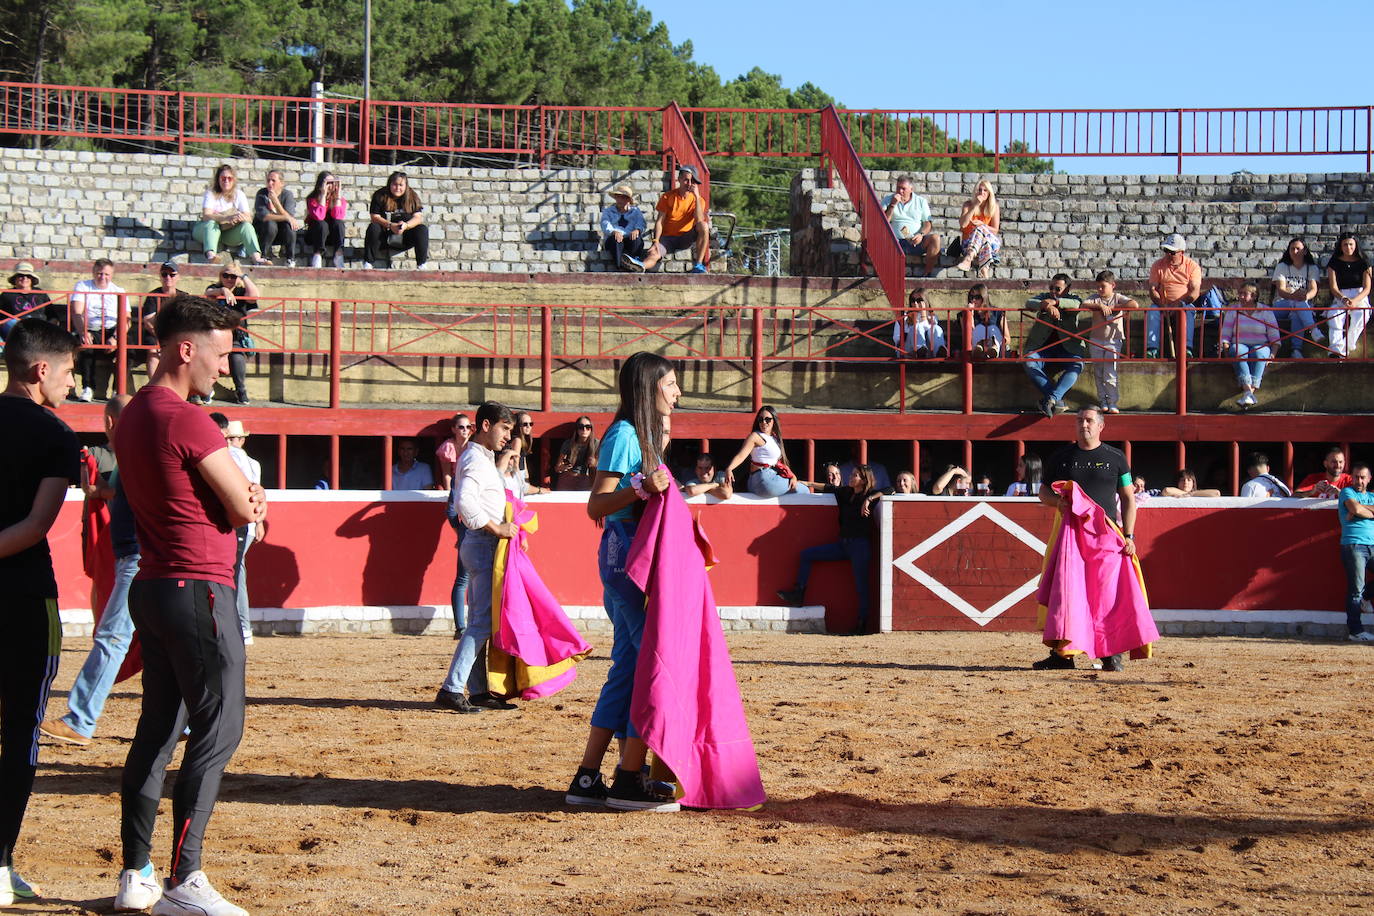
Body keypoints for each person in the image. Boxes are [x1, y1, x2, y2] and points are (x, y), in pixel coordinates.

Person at [111, 293, 266, 915]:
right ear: (186, 349)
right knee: (220, 724)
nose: (224, 367)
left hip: (152, 586)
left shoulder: (133, 415)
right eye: (221, 354)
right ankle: (185, 878)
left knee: (158, 729)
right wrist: (249, 498)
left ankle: (137, 872)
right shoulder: (189, 420)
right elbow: (240, 507)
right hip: (199, 585)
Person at [564, 352, 683, 811]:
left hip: (630, 564)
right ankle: (629, 777)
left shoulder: (641, 436)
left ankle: (589, 777)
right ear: (648, 387)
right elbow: (596, 506)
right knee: (645, 668)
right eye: (670, 384)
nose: (677, 393)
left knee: (629, 669)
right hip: (628, 568)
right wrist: (640, 489)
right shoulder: (624, 434)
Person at [0, 319, 80, 907]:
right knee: (20, 729)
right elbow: (34, 527)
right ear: (42, 369)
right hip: (24, 595)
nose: (73, 384)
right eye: (71, 371)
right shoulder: (54, 433)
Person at [40, 395, 140, 747]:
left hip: (139, 557)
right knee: (166, 644)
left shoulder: (134, 452)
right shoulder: (141, 449)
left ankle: (80, 719)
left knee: (114, 638)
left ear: (109, 422)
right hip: (150, 556)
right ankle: (189, 722)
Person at [1035, 407, 1139, 672]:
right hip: (1071, 535)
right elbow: (1043, 492)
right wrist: (1059, 503)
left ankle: (1110, 653)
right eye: (1080, 420)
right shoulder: (1062, 457)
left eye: (1090, 420)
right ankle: (1063, 654)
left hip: (1107, 534)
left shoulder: (1116, 458)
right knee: (1068, 592)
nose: (1084, 424)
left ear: (1101, 426)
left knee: (1105, 594)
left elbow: (1128, 498)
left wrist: (1128, 535)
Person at [436, 401, 519, 715]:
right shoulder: (473, 457)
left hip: (481, 543)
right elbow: (465, 503)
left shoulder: (480, 457)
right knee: (481, 622)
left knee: (479, 621)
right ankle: (452, 688)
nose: (507, 437)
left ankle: (480, 690)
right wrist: (496, 527)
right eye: (505, 429)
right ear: (486, 425)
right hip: (483, 543)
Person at [776, 465, 883, 635]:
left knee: (861, 587)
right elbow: (825, 487)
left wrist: (869, 500)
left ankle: (862, 625)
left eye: (855, 475)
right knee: (806, 555)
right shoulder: (846, 493)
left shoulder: (869, 495)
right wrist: (804, 482)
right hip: (844, 545)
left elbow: (889, 490)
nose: (851, 477)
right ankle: (798, 594)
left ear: (863, 480)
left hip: (860, 546)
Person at [210, 415, 264, 645]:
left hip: (236, 522)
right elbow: (256, 493)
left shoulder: (228, 456)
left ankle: (240, 626)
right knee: (236, 571)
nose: (233, 442)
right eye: (232, 437)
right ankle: (242, 626)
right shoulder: (253, 463)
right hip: (248, 523)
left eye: (235, 438)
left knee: (232, 573)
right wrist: (259, 522)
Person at [625, 165, 708, 274]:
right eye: (686, 180)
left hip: (686, 237)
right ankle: (641, 266)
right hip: (667, 238)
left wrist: (696, 197)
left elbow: (699, 220)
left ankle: (699, 265)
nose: (689, 184)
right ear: (679, 179)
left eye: (692, 181)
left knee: (704, 226)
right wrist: (656, 241)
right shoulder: (667, 197)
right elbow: (659, 222)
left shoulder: (699, 200)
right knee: (654, 253)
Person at [1022, 274, 1084, 417]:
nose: (1053, 291)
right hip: (1042, 347)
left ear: (1067, 289)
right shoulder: (1044, 297)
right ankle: (1055, 399)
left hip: (1068, 348)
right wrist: (1045, 305)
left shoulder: (1074, 298)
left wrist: (1056, 303)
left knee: (1077, 365)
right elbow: (1029, 303)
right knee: (1029, 362)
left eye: (1058, 289)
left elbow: (1077, 304)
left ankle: (1049, 399)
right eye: (1051, 288)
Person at [1078, 270, 1135, 414]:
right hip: (1096, 340)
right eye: (1098, 287)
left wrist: (1115, 308)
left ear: (1113, 285)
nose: (1100, 290)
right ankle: (1102, 401)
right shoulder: (1095, 298)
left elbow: (1134, 305)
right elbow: (1083, 304)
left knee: (1110, 373)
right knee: (1098, 372)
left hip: (1113, 341)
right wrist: (1099, 306)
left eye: (1103, 286)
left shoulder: (1117, 297)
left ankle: (1113, 402)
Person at [70, 258, 125, 402]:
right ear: (94, 272)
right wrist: (83, 331)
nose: (103, 277)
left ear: (112, 275)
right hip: (89, 327)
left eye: (106, 274)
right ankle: (88, 387)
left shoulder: (119, 290)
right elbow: (76, 312)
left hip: (112, 329)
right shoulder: (82, 286)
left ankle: (117, 390)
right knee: (85, 345)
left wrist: (116, 337)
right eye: (99, 273)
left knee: (128, 349)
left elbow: (126, 320)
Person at [1218, 281, 1281, 408]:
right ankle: (1249, 392)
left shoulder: (1266, 311)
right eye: (1240, 293)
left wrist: (1272, 355)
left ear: (1254, 296)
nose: (1240, 296)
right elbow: (1225, 335)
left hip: (1261, 344)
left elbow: (1275, 337)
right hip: (1239, 343)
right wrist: (1226, 352)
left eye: (1244, 294)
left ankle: (1248, 393)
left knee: (1259, 352)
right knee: (1237, 350)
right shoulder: (1233, 310)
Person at [203, 263, 258, 406]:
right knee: (207, 355)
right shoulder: (215, 288)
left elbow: (254, 296)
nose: (229, 279)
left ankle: (241, 390)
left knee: (237, 356)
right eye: (225, 275)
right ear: (220, 276)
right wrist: (223, 290)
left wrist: (243, 276)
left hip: (236, 335)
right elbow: (208, 293)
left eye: (233, 276)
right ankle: (207, 389)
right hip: (214, 334)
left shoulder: (241, 291)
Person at [724, 406, 810, 498]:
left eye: (767, 419)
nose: (763, 422)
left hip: (769, 478)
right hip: (762, 478)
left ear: (774, 421)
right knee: (804, 490)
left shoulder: (774, 438)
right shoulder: (755, 436)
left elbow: (779, 464)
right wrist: (729, 469)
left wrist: (792, 475)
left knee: (797, 492)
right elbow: (741, 455)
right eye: (760, 419)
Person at [191, 164, 267, 266]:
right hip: (206, 231)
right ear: (218, 179)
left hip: (228, 232)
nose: (226, 181)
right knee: (211, 223)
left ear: (233, 180)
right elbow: (206, 215)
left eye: (229, 178)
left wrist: (240, 218)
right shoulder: (211, 193)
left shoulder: (239, 195)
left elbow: (249, 218)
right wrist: (226, 217)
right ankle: (211, 255)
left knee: (247, 226)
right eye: (223, 178)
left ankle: (256, 258)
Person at [1146, 233, 1202, 358]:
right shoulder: (1158, 265)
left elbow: (1194, 292)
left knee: (1189, 310)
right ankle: (1152, 349)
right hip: (1162, 304)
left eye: (1172, 252)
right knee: (1152, 311)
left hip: (1183, 304)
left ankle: (1186, 348)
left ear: (1181, 252)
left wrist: (1179, 304)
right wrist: (1162, 305)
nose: (1168, 254)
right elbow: (1153, 289)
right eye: (1166, 251)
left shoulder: (1192, 267)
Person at [1336, 462, 1374, 643]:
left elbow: (1358, 510)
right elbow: (1355, 509)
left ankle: (1367, 597)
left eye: (1363, 477)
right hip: (1353, 544)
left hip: (1372, 544)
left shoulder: (1371, 496)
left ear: (1369, 479)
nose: (1359, 481)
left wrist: (1360, 511)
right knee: (1355, 589)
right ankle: (1355, 631)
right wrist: (1358, 510)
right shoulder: (1347, 492)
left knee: (1359, 590)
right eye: (1356, 477)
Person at [364, 171, 429, 269]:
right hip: (384, 235)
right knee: (373, 227)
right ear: (390, 184)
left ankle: (422, 264)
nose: (398, 188)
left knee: (422, 229)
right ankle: (368, 263)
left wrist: (406, 225)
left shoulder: (412, 196)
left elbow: (418, 218)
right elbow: (374, 217)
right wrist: (390, 225)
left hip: (405, 235)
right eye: (395, 185)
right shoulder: (380, 195)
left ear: (405, 186)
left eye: (401, 185)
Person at [1272, 237, 1323, 358]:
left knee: (1297, 311)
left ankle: (1296, 351)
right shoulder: (1282, 267)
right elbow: (1281, 291)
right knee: (1295, 302)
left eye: (1298, 249)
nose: (1295, 252)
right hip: (1281, 306)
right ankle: (1313, 329)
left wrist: (1305, 296)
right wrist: (1293, 296)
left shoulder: (1312, 268)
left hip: (1302, 306)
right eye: (1292, 249)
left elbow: (1313, 289)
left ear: (1304, 251)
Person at [1324, 233, 1371, 359]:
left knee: (1361, 315)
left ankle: (1346, 347)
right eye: (1345, 244)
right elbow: (1333, 287)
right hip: (1341, 296)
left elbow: (1367, 288)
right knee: (1334, 316)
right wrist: (1344, 299)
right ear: (1341, 246)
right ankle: (1335, 350)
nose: (1348, 247)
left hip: (1359, 296)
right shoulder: (1334, 263)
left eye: (1351, 244)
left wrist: (1355, 301)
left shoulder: (1364, 262)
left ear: (1355, 245)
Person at [881, 175, 940, 276]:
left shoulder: (921, 201)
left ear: (911, 189)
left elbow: (927, 224)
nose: (900, 191)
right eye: (898, 188)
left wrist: (921, 234)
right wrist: (892, 205)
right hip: (895, 241)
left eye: (903, 188)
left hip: (915, 240)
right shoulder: (888, 199)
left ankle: (927, 274)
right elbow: (883, 222)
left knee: (936, 238)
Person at [138, 261, 181, 377]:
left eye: (172, 275)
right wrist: (163, 339)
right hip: (156, 334)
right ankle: (154, 386)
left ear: (178, 277)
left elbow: (188, 321)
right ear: (160, 277)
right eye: (164, 274)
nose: (168, 278)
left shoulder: (183, 297)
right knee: (153, 350)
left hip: (178, 334)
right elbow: (148, 322)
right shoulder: (153, 296)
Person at [954, 179, 1002, 278]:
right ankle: (985, 271)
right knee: (980, 234)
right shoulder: (968, 205)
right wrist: (975, 205)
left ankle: (968, 259)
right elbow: (963, 225)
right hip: (969, 243)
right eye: (979, 190)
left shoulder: (994, 207)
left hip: (992, 243)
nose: (982, 193)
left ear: (989, 193)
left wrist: (982, 225)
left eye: (985, 190)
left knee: (980, 228)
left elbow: (995, 230)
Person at [252, 169, 299, 266]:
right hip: (264, 231)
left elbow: (289, 216)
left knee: (290, 226)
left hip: (281, 232)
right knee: (270, 223)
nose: (270, 183)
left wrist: (276, 202)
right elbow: (265, 216)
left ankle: (290, 259)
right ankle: (263, 256)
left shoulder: (287, 195)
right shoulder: (261, 193)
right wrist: (287, 218)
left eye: (273, 180)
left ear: (281, 183)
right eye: (268, 180)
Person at [304, 170, 348, 269]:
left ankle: (338, 254)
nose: (330, 186)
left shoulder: (340, 200)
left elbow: (338, 216)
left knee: (339, 223)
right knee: (321, 224)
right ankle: (317, 256)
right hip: (316, 234)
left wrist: (337, 197)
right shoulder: (312, 199)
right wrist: (323, 195)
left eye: (332, 183)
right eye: (328, 183)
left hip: (332, 236)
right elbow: (319, 217)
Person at [0, 262, 53, 344]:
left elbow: (52, 315)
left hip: (38, 326)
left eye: (28, 276)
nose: (24, 278)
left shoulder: (41, 293)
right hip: (16, 329)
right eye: (21, 276)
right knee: (12, 323)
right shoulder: (7, 294)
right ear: (15, 279)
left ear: (32, 279)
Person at [600, 185, 646, 271]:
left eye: (623, 198)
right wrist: (614, 232)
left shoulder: (636, 211)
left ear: (628, 200)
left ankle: (634, 263)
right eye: (618, 197)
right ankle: (619, 267)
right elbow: (605, 224)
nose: (620, 200)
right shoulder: (608, 211)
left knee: (637, 239)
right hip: (615, 239)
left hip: (630, 238)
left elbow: (641, 223)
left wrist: (637, 230)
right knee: (616, 240)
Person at [893, 287, 947, 358]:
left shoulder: (932, 317)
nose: (915, 303)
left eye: (919, 300)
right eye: (913, 300)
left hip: (928, 349)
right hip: (907, 350)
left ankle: (939, 352)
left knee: (936, 328)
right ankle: (920, 349)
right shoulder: (904, 317)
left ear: (925, 301)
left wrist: (924, 316)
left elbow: (928, 331)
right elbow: (897, 339)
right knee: (916, 327)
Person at [554, 415, 599, 491]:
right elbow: (557, 468)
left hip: (586, 479)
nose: (584, 429)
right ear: (577, 429)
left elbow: (604, 465)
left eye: (588, 427)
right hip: (568, 478)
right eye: (581, 427)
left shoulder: (596, 443)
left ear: (591, 429)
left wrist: (595, 463)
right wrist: (563, 467)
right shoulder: (568, 443)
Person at [436, 413, 473, 492]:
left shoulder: (474, 445)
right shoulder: (448, 447)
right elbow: (447, 474)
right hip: (455, 486)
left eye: (468, 427)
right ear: (453, 429)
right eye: (461, 427)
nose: (465, 430)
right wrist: (449, 493)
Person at [966, 284, 1004, 359]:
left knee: (993, 328)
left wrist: (996, 342)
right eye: (971, 297)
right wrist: (970, 314)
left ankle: (994, 348)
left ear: (984, 297)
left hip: (995, 343)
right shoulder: (965, 313)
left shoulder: (997, 312)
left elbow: (1007, 338)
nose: (973, 300)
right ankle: (979, 348)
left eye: (977, 297)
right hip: (974, 345)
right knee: (980, 328)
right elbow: (968, 336)